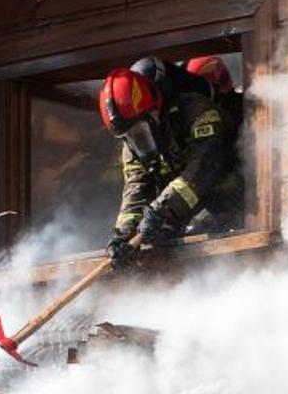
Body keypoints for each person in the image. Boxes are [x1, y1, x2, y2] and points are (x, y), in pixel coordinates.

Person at [98, 56, 242, 268]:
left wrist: (162, 209)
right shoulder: (131, 144)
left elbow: (205, 166)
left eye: (140, 130)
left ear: (154, 109)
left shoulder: (198, 111)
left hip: (236, 208)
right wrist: (122, 235)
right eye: (129, 135)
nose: (137, 138)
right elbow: (137, 186)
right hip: (189, 220)